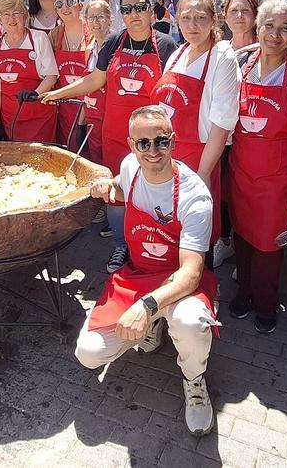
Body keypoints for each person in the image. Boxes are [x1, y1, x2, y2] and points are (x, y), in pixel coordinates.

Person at [76, 104, 219, 437]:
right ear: (131, 145)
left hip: (179, 283)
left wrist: (147, 305)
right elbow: (120, 186)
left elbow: (191, 273)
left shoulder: (195, 195)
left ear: (173, 141)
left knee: (191, 323)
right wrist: (107, 186)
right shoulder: (130, 167)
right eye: (143, 143)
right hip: (137, 275)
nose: (153, 151)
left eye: (161, 141)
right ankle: (153, 325)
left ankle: (194, 380)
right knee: (89, 353)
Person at [42, 0, 179, 272]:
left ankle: (152, 248)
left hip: (151, 138)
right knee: (118, 192)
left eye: (139, 7)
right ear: (122, 14)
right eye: (127, 9)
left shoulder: (167, 45)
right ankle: (120, 245)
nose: (134, 14)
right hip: (116, 132)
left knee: (151, 192)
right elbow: (94, 80)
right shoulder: (114, 42)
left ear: (150, 10)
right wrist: (58, 93)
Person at [226, 0, 287, 334]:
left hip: (279, 177)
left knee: (269, 242)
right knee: (243, 235)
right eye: (269, 26)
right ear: (257, 27)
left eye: (284, 28)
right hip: (241, 169)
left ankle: (266, 301)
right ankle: (244, 292)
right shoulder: (240, 63)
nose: (275, 35)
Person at [151, 0, 241, 253]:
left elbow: (222, 125)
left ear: (214, 20)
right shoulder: (178, 54)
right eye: (186, 18)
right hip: (167, 153)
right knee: (168, 228)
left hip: (201, 157)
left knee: (196, 234)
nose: (193, 25)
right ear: (177, 19)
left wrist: (202, 176)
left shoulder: (222, 57)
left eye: (201, 18)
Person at [212, 0, 260, 266]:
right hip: (223, 133)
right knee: (222, 189)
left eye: (246, 11)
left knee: (245, 193)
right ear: (225, 16)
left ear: (255, 16)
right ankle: (225, 239)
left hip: (253, 135)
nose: (239, 16)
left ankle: (247, 248)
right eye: (234, 11)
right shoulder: (219, 49)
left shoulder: (266, 48)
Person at [0, 0, 59, 142]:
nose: (12, 19)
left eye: (16, 13)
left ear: (24, 16)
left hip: (39, 115)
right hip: (10, 117)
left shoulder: (39, 38)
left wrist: (35, 93)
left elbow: (51, 76)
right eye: (6, 14)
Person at [48, 0, 92, 151]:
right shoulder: (54, 35)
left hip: (89, 107)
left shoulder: (93, 32)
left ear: (80, 5)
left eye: (70, 2)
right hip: (64, 107)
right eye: (59, 4)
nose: (65, 8)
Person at [80, 0, 114, 170]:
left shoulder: (116, 46)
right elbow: (86, 87)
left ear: (110, 19)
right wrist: (81, 123)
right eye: (91, 18)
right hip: (92, 120)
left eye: (100, 17)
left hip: (111, 120)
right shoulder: (89, 49)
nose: (96, 22)